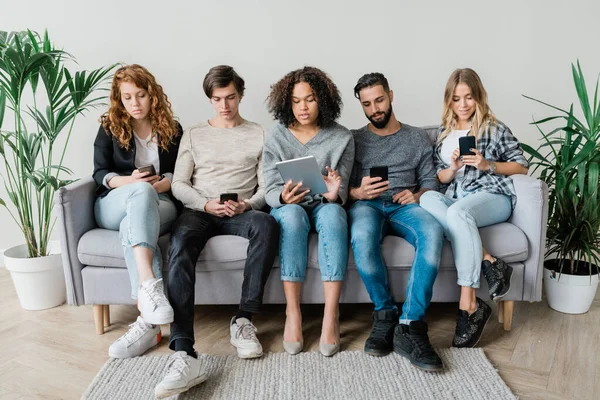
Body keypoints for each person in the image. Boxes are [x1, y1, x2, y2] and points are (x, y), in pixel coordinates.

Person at [154, 65, 278, 399]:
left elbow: (268, 187)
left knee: (267, 224)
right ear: (210, 99)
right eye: (217, 99)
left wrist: (249, 205)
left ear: (240, 95)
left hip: (240, 212)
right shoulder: (194, 133)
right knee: (179, 245)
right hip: (200, 210)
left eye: (231, 97)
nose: (224, 105)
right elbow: (179, 183)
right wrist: (207, 204)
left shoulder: (259, 133)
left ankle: (243, 320)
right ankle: (183, 349)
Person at [420, 68, 528, 348]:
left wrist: (486, 164)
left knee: (457, 213)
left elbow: (522, 165)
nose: (463, 104)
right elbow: (438, 178)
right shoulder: (444, 133)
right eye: (457, 99)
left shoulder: (494, 127)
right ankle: (490, 261)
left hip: (492, 196)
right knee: (427, 199)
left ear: (478, 97)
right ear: (450, 101)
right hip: (457, 197)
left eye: (469, 97)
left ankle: (468, 304)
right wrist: (453, 167)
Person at [348, 73, 444, 371]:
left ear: (390, 95)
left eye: (379, 100)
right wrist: (357, 191)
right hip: (368, 205)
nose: (375, 109)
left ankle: (410, 323)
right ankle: (384, 313)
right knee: (362, 237)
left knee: (432, 231)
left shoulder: (416, 137)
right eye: (367, 104)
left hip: (404, 207)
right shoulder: (353, 139)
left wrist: (417, 195)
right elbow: (342, 187)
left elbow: (430, 182)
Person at [263, 66, 354, 357]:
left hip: (323, 205)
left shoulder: (341, 138)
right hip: (291, 208)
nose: (303, 107)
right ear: (286, 103)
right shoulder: (276, 137)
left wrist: (333, 195)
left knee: (334, 215)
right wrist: (282, 196)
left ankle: (331, 315)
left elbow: (341, 192)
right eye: (296, 100)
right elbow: (268, 190)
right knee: (291, 216)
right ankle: (293, 313)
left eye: (310, 99)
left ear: (323, 100)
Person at [92, 64, 182, 359]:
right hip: (114, 203)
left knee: (138, 218)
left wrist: (159, 186)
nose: (134, 103)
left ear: (152, 95)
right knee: (139, 194)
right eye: (127, 97)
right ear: (119, 99)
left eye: (140, 95)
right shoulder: (110, 127)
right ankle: (149, 284)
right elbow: (99, 173)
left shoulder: (173, 128)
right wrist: (130, 183)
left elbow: (180, 175)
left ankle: (148, 324)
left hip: (159, 202)